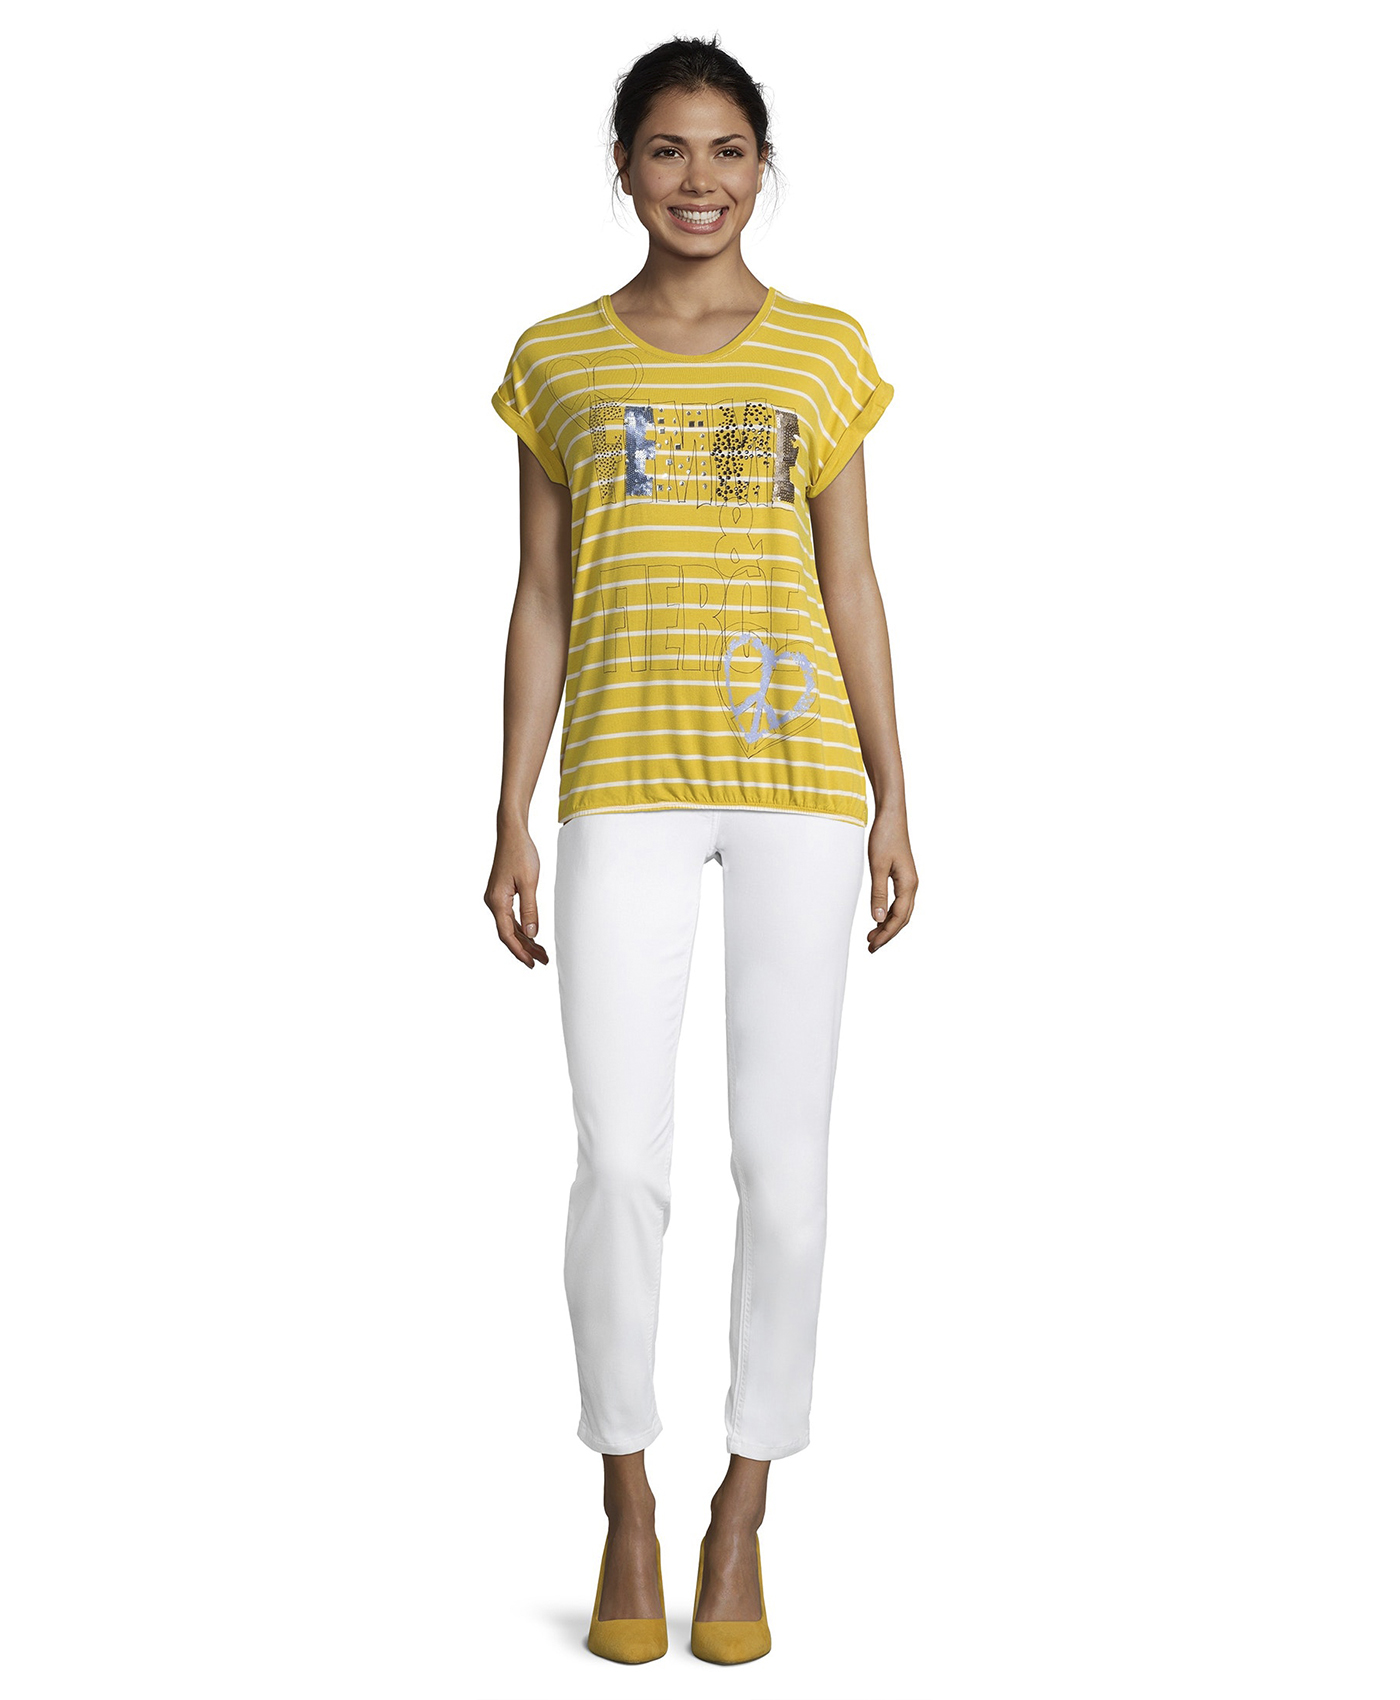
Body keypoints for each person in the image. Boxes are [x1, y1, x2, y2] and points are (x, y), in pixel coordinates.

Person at [484, 34, 917, 1665]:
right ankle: (628, 1498)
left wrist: (896, 792)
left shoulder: (824, 350)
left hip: (798, 787)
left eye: (727, 150)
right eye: (667, 149)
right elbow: (541, 594)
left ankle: (745, 1505)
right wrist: (508, 807)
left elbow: (851, 579)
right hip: (622, 780)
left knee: (784, 1171)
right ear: (623, 167)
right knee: (619, 1162)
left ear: (762, 166)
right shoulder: (556, 359)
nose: (698, 180)